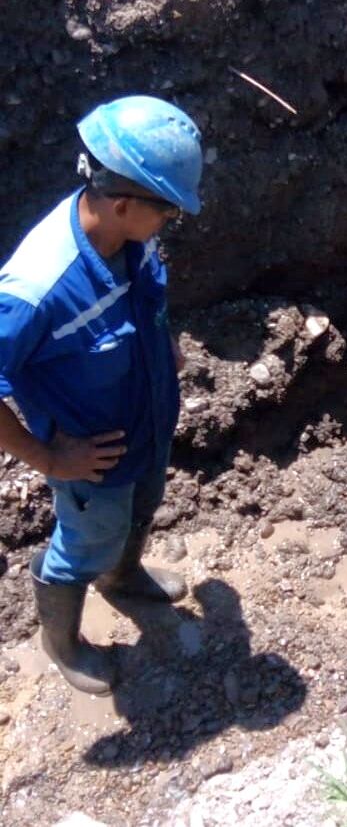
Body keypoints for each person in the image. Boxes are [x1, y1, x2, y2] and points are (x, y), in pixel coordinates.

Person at [0, 95, 204, 695]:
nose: (169, 220)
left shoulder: (131, 238)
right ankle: (61, 642)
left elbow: (147, 301)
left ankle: (124, 578)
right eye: (166, 210)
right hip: (89, 459)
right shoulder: (38, 288)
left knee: (145, 505)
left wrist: (164, 349)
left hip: (146, 421)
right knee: (88, 540)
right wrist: (48, 460)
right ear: (122, 202)